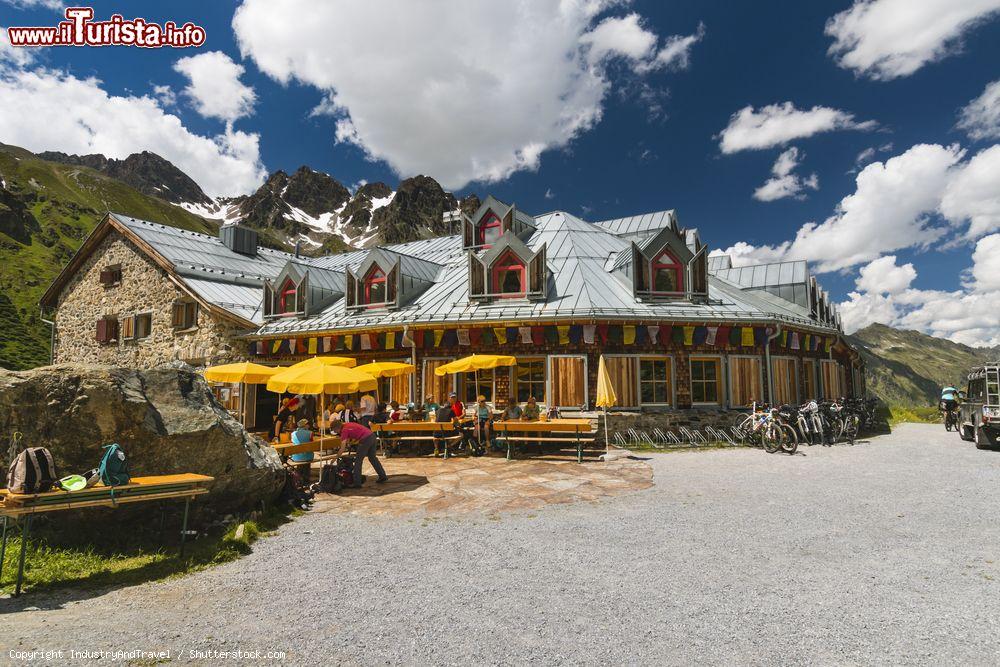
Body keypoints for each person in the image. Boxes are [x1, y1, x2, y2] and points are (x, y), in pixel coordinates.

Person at [332, 419, 387, 486]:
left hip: (365, 439)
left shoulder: (344, 430)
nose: (335, 432)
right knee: (372, 458)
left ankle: (356, 482)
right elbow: (355, 433)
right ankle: (383, 476)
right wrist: (351, 442)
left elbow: (342, 448)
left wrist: (335, 457)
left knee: (358, 460)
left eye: (334, 430)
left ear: (337, 428)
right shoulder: (347, 424)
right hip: (372, 436)